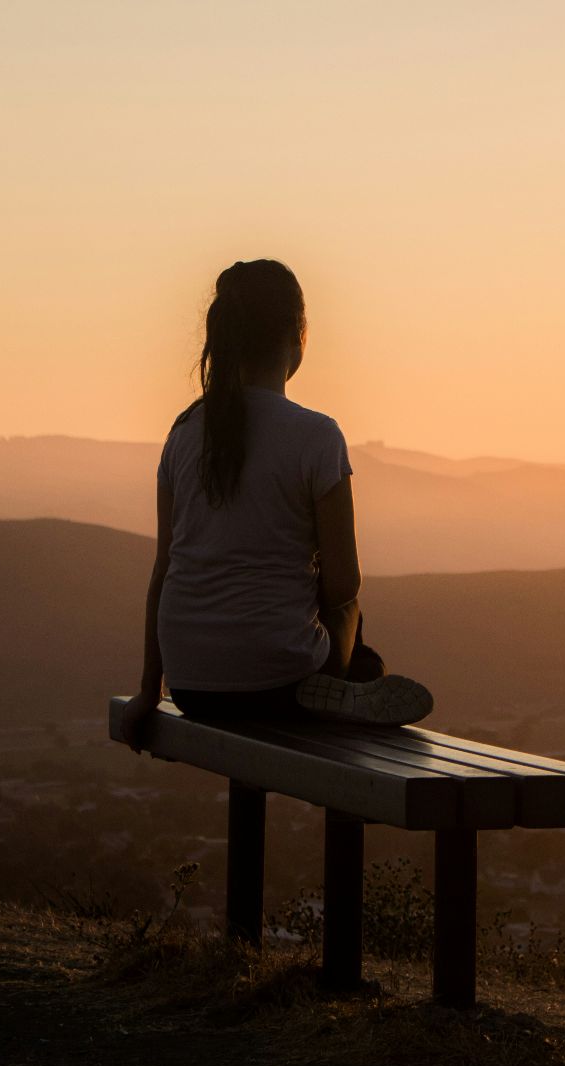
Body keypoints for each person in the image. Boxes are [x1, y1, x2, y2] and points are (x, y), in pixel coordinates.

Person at [118, 259, 432, 748]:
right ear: (298, 336)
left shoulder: (182, 433)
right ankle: (355, 682)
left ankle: (348, 682)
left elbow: (164, 571)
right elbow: (344, 583)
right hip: (281, 684)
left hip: (191, 686)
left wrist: (147, 691)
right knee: (350, 609)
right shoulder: (316, 436)